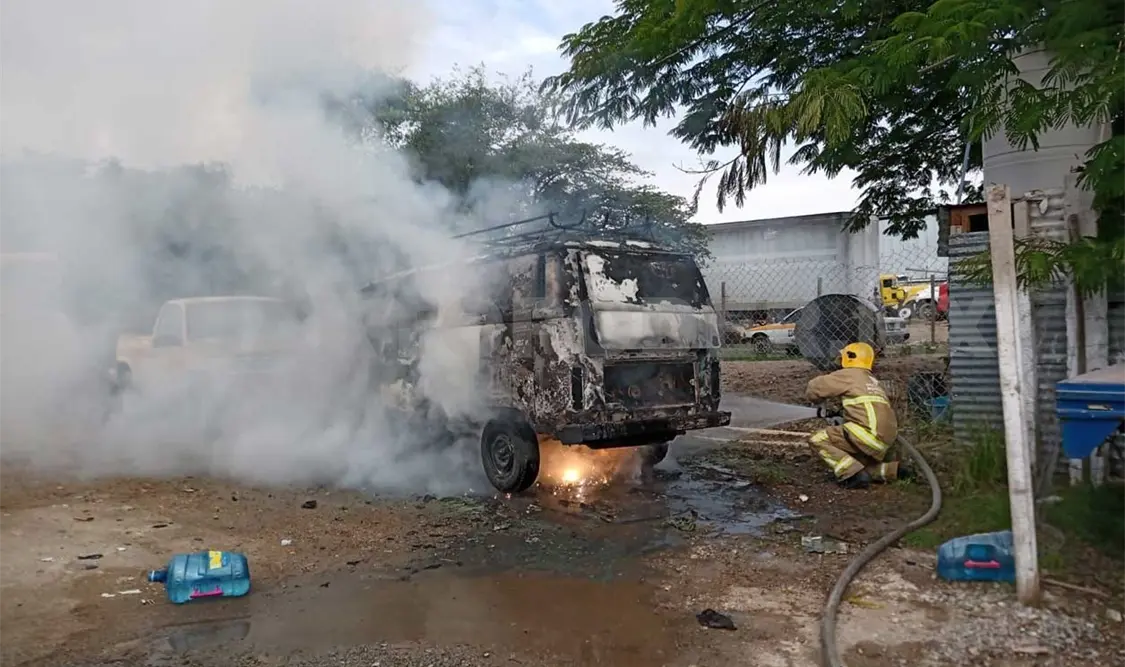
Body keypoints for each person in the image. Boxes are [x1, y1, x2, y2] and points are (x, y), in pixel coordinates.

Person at [805, 342, 912, 489]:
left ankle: (852, 474)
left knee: (817, 439)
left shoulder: (849, 374)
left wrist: (816, 399)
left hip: (866, 434)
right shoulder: (872, 381)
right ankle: (891, 471)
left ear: (849, 357)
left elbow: (814, 388)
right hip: (885, 439)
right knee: (859, 463)